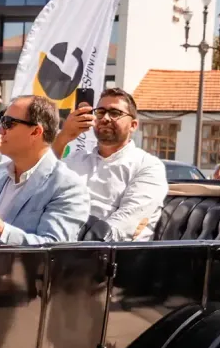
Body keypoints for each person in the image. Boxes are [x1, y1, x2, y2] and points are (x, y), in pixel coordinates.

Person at [0, 95, 90, 246]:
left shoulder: (68, 186)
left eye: (8, 123)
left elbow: (53, 248)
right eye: (1, 121)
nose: (0, 130)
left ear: (35, 132)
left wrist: (3, 231)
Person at [53, 88, 167, 241]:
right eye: (100, 112)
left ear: (133, 125)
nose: (105, 118)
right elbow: (36, 185)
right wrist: (64, 137)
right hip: (56, 245)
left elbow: (121, 228)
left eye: (115, 113)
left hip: (104, 251)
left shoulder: (147, 166)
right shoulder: (75, 160)